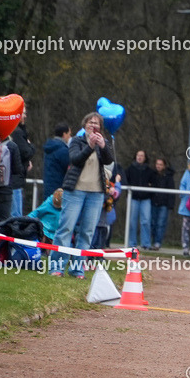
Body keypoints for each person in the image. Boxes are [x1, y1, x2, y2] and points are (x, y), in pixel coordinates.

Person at [49, 112, 114, 278]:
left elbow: (109, 160)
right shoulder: (77, 141)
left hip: (96, 194)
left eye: (97, 123)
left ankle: (77, 269)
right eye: (90, 122)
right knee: (66, 228)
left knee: (87, 233)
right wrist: (90, 146)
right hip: (75, 191)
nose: (93, 125)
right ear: (85, 125)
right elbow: (75, 159)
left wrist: (102, 146)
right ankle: (56, 267)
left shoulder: (103, 142)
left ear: (100, 127)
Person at [125, 150, 155, 250]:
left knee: (146, 221)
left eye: (142, 155)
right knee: (132, 221)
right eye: (138, 155)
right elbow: (126, 181)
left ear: (145, 157)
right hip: (133, 198)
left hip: (146, 199)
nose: (140, 157)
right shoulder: (130, 169)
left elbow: (153, 184)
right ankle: (132, 244)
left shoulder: (150, 171)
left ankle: (146, 243)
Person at [8, 114, 35, 218]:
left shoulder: (18, 131)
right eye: (22, 112)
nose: (24, 116)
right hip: (15, 180)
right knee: (15, 216)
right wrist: (30, 146)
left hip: (14, 179)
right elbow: (26, 152)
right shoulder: (17, 132)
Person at [150, 157, 175, 250]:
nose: (158, 166)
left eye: (160, 164)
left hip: (164, 204)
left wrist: (170, 204)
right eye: (157, 164)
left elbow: (171, 191)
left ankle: (157, 242)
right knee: (152, 223)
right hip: (153, 203)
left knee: (161, 224)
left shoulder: (168, 176)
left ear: (164, 166)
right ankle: (152, 241)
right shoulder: (152, 175)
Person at [42, 123, 71, 197]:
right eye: (69, 134)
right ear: (64, 134)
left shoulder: (49, 147)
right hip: (59, 186)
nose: (70, 137)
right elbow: (68, 168)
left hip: (48, 185)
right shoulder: (63, 150)